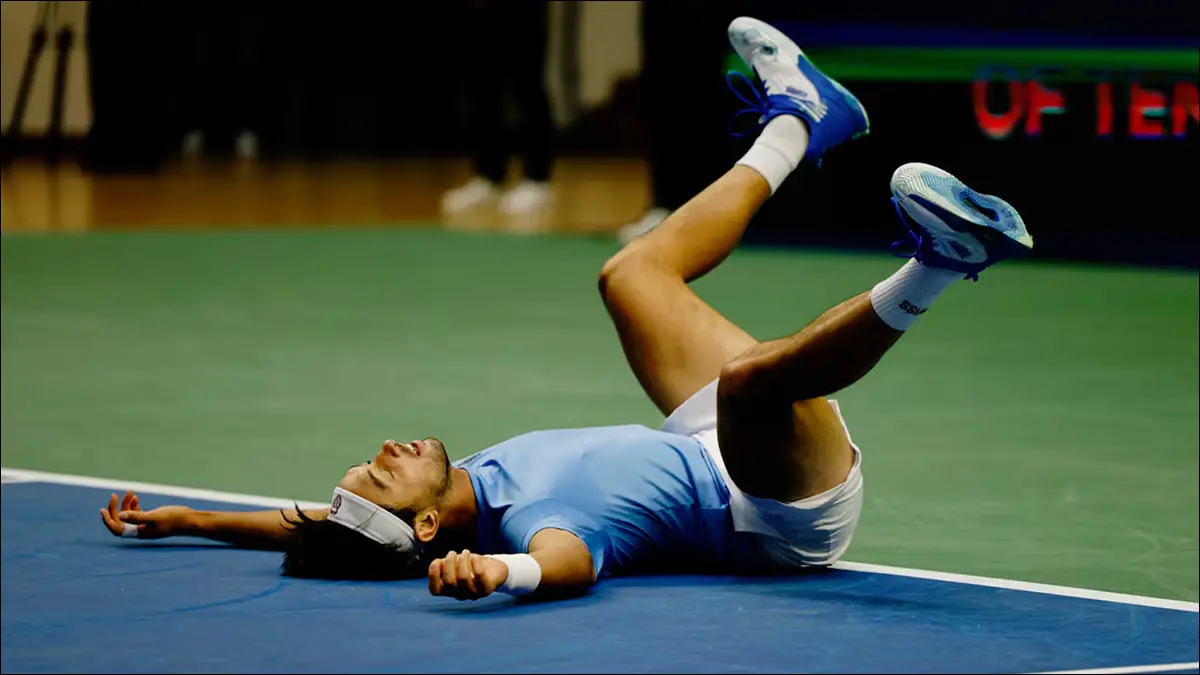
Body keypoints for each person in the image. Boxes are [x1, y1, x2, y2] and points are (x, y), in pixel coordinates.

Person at [99, 17, 1033, 602]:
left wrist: (186, 519)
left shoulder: (457, 490)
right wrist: (499, 573)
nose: (385, 448)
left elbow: (316, 522)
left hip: (700, 442)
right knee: (750, 381)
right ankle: (939, 264)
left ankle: (802, 118)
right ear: (426, 529)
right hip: (779, 507)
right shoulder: (532, 521)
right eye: (384, 474)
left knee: (630, 275)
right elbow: (568, 564)